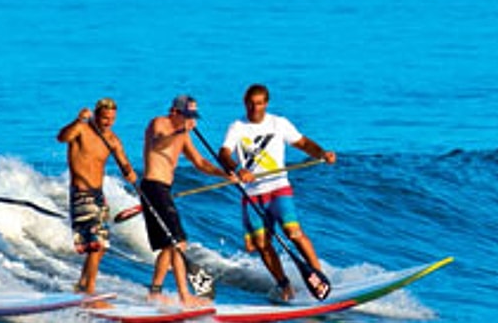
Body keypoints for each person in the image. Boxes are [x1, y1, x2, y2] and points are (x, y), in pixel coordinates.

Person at [219, 83, 336, 301]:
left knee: (293, 233)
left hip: (278, 188)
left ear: (266, 103)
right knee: (262, 245)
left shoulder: (278, 123)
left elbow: (302, 142)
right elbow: (223, 153)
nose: (255, 108)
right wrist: (237, 168)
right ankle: (285, 286)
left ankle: (319, 276)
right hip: (251, 193)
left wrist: (322, 153)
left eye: (260, 104)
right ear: (245, 104)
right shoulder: (237, 127)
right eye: (251, 104)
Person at [140, 94, 231, 307]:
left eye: (192, 116)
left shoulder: (183, 135)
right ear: (174, 112)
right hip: (153, 186)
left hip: (164, 189)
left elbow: (200, 162)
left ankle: (155, 291)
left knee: (169, 244)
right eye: (187, 115)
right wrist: (181, 130)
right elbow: (159, 144)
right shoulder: (159, 123)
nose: (190, 120)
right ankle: (184, 295)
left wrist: (224, 173)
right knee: (178, 242)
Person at [56, 98, 137, 295]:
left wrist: (130, 173)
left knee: (101, 247)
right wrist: (78, 120)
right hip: (81, 194)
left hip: (99, 196)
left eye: (112, 119)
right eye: (104, 118)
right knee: (96, 245)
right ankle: (89, 292)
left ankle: (82, 285)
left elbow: (123, 162)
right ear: (96, 114)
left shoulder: (112, 139)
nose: (108, 122)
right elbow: (62, 137)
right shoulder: (81, 130)